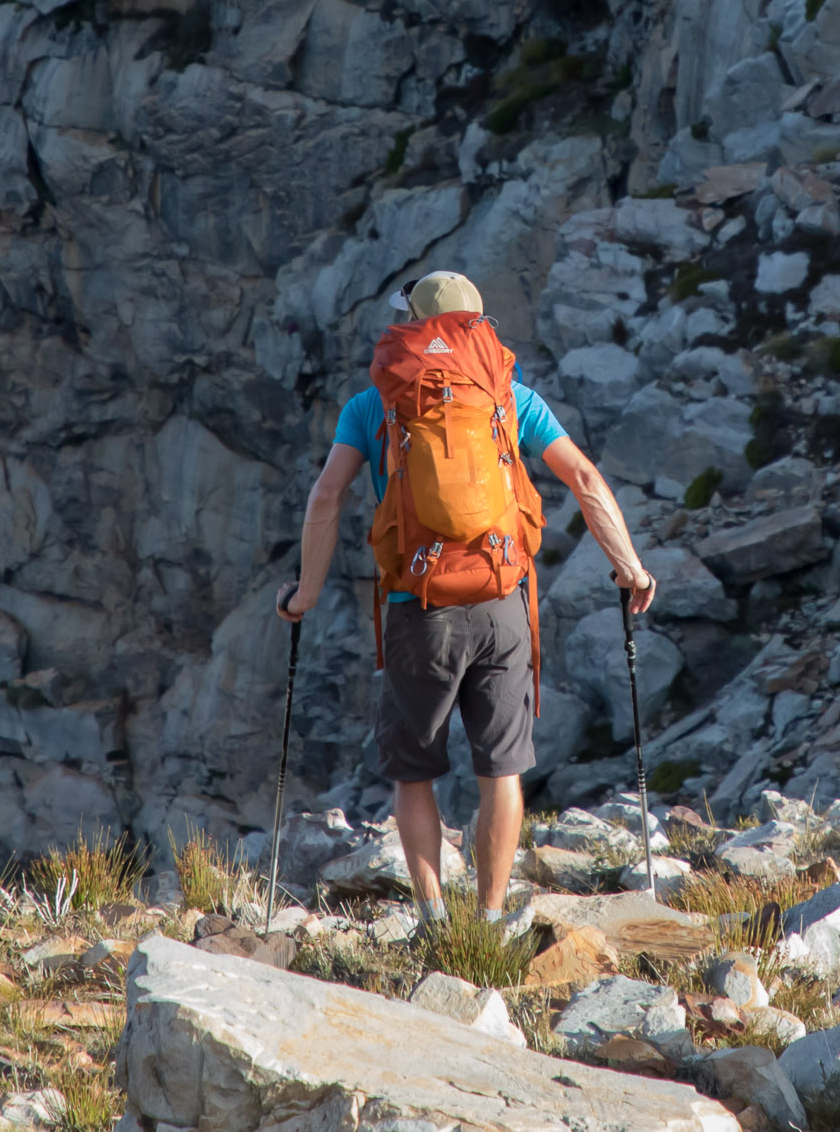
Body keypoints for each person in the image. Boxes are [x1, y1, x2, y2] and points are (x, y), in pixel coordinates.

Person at [276, 270, 658, 927]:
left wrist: (304, 593)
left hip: (416, 605)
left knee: (415, 773)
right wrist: (630, 564)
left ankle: (432, 919)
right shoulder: (513, 400)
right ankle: (486, 921)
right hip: (501, 599)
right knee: (501, 769)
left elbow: (326, 497)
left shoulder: (373, 405)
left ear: (413, 326)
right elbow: (584, 476)